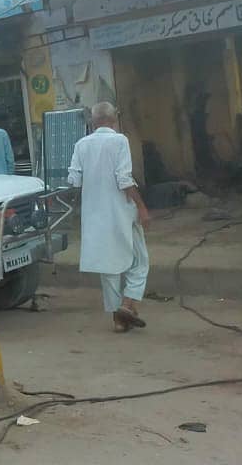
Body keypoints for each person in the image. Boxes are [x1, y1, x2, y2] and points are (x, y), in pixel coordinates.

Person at [68, 102, 151, 332]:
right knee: (140, 261)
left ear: (93, 122)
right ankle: (127, 304)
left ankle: (118, 320)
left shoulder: (81, 144)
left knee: (109, 267)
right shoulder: (119, 140)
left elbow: (73, 180)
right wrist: (142, 207)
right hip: (121, 212)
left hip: (95, 215)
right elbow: (124, 179)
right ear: (114, 119)